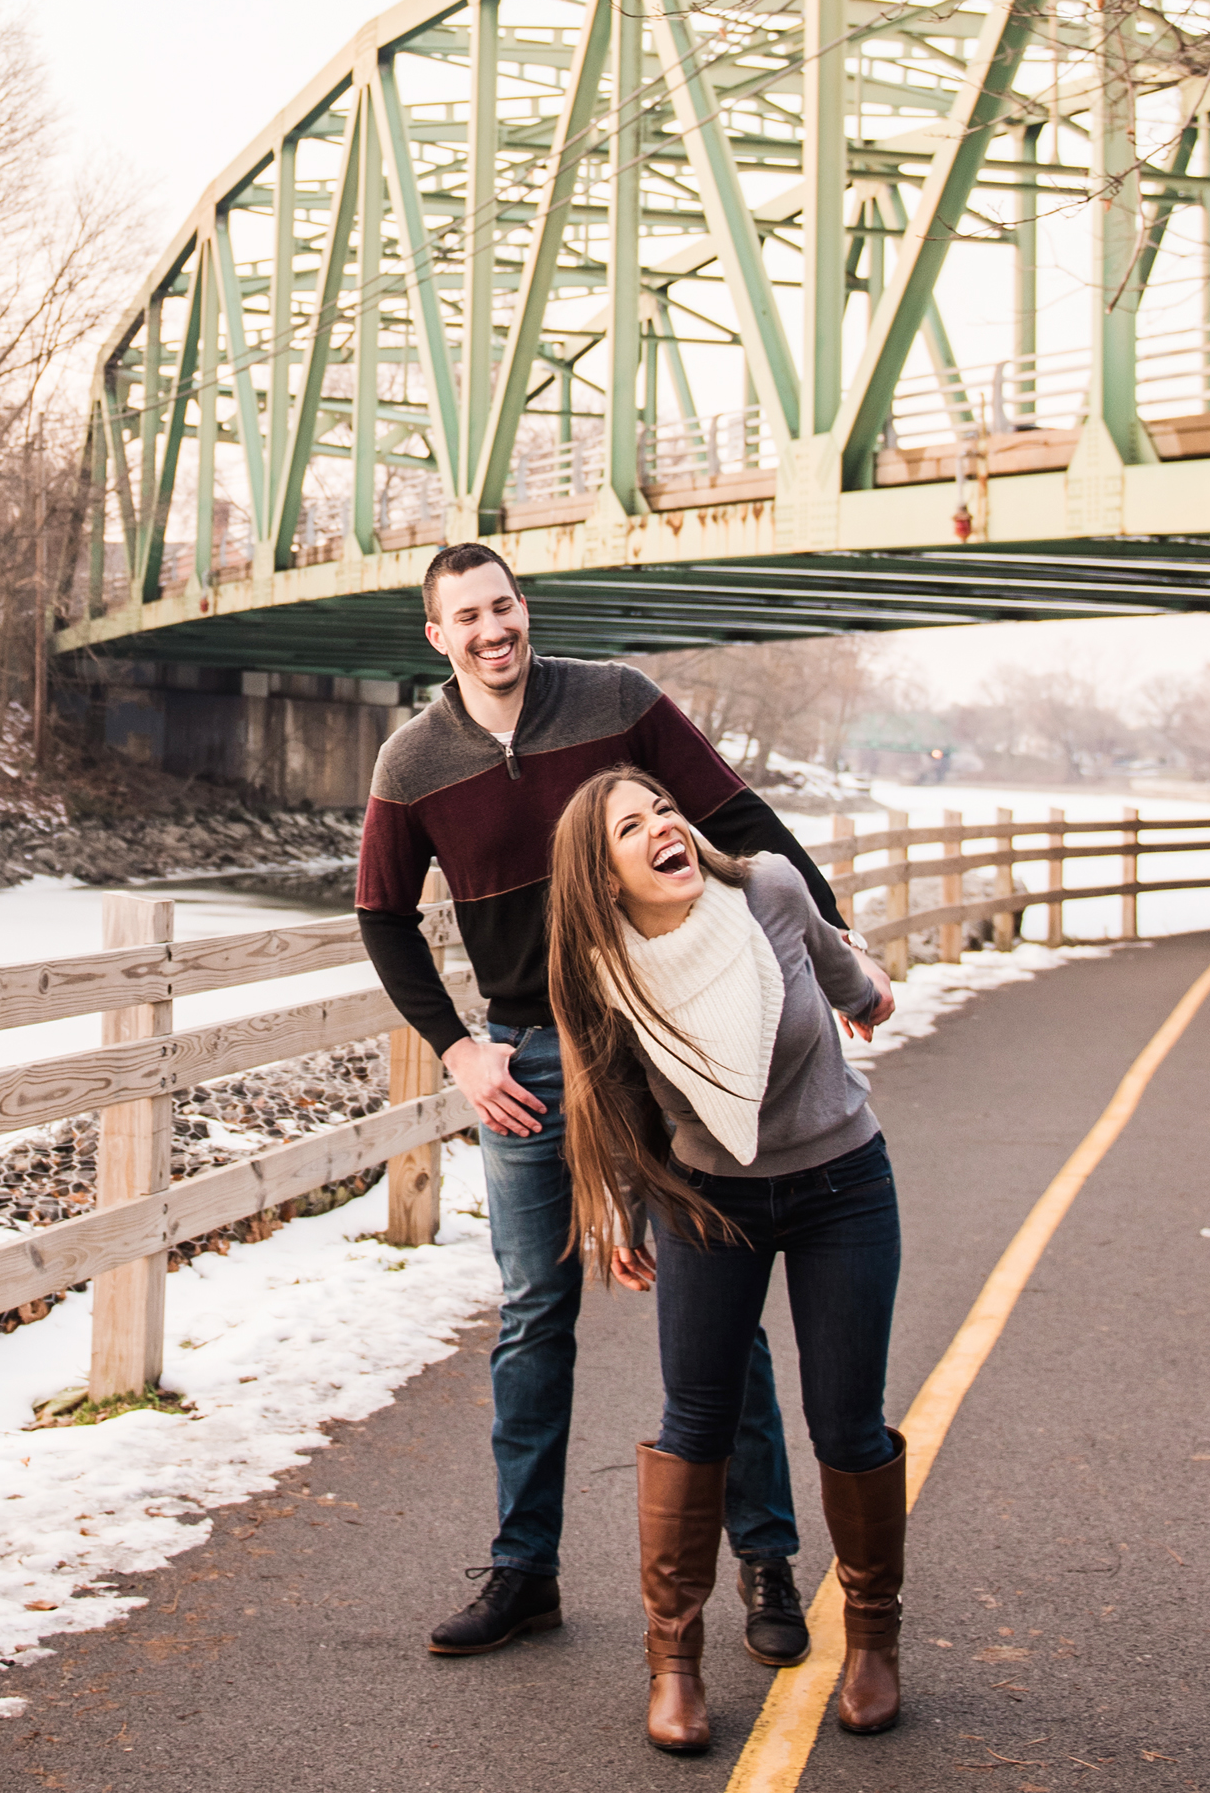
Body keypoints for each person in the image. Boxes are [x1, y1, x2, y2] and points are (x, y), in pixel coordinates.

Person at [356, 541, 856, 1662]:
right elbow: (383, 915)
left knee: (714, 1304)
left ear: (522, 608)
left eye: (503, 605)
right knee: (535, 1313)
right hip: (526, 1063)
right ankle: (523, 1569)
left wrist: (834, 947)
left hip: (666, 1042)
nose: (492, 630)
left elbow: (740, 817)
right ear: (435, 636)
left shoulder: (617, 700)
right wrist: (455, 1050)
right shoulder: (412, 760)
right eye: (465, 617)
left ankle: (764, 1560)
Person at [547, 766, 904, 1754]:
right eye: (632, 824)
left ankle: (872, 1639)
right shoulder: (604, 967)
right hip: (710, 1199)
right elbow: (614, 1100)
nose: (663, 824)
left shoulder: (770, 892)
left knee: (846, 1420)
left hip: (841, 1183)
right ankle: (674, 1663)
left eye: (664, 806)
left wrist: (869, 992)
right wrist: (620, 1211)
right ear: (604, 872)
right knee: (693, 1419)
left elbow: (845, 980)